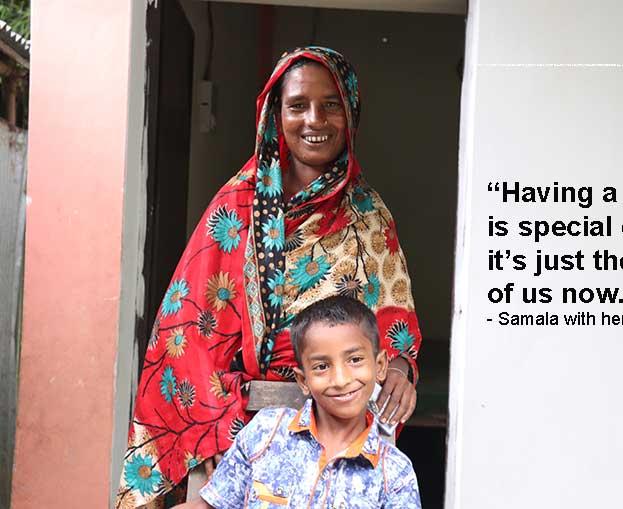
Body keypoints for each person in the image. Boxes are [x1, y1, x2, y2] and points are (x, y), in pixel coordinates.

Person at [115, 46, 423, 508]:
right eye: (297, 105)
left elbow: (393, 322)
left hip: (343, 427)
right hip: (235, 435)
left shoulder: (369, 217)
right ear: (274, 116)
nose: (314, 120)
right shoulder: (236, 208)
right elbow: (189, 332)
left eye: (331, 104)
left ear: (351, 112)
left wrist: (399, 367)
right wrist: (213, 437)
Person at [173, 296, 422, 508]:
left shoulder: (394, 473)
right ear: (303, 380)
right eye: (322, 366)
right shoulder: (266, 432)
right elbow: (211, 505)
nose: (341, 379)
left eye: (355, 360)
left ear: (380, 366)